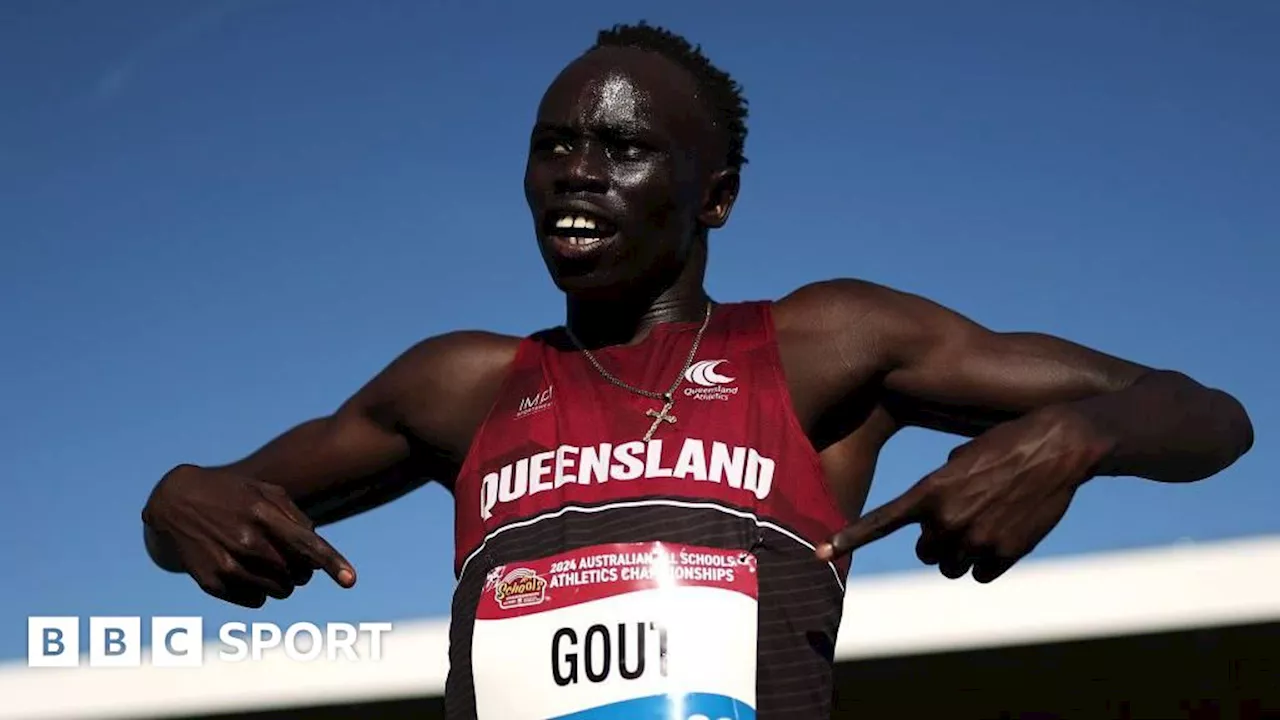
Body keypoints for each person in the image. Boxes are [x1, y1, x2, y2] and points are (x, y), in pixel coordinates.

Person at [141, 22, 1253, 720]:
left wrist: (1070, 439)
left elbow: (1210, 418)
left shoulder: (825, 344)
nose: (576, 176)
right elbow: (203, 502)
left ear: (714, 196)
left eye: (621, 150)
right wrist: (171, 498)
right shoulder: (461, 386)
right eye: (552, 145)